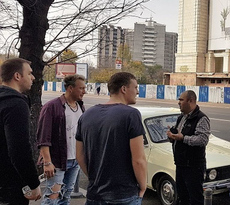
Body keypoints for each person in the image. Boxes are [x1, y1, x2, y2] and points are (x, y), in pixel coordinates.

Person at [75, 72, 146, 205]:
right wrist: (142, 186)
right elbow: (138, 160)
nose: (137, 92)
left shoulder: (87, 115)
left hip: (94, 194)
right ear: (124, 89)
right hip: (123, 194)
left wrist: (94, 178)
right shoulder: (131, 115)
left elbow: (80, 156)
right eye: (135, 87)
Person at [37, 74, 86, 204]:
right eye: (81, 88)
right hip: (57, 162)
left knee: (66, 197)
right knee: (52, 198)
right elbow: (43, 137)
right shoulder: (52, 107)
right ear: (70, 88)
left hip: (75, 161)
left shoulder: (80, 106)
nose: (84, 91)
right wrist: (47, 162)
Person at [0, 58, 41, 204]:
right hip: (9, 186)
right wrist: (33, 183)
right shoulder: (15, 104)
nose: (33, 77)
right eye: (29, 73)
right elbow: (19, 150)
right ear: (17, 76)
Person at [167, 90, 210, 205]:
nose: (178, 102)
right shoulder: (182, 117)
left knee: (195, 198)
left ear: (190, 101)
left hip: (193, 167)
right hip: (181, 164)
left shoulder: (201, 118)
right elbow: (179, 135)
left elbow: (202, 140)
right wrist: (172, 136)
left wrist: (183, 138)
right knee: (182, 197)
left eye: (181, 100)